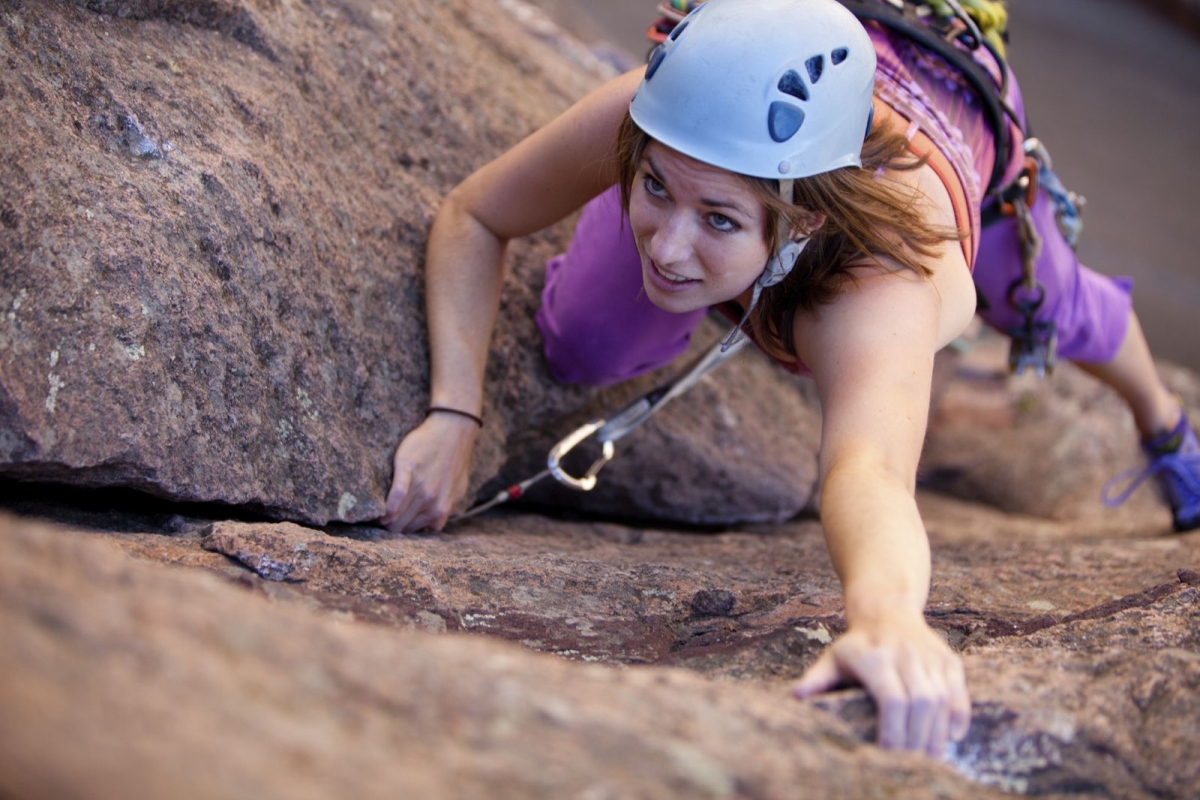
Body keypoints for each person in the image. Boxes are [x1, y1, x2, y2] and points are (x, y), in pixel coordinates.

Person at [380, 0, 1199, 755]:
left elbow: (869, 470)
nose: (665, 247)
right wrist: (456, 411)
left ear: (804, 221)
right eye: (653, 188)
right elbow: (477, 215)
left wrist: (886, 622)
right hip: (804, 60)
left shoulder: (881, 292)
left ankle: (1166, 426)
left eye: (718, 219)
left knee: (1055, 302)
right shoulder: (693, 108)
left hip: (940, 86)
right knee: (582, 345)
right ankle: (731, 260)